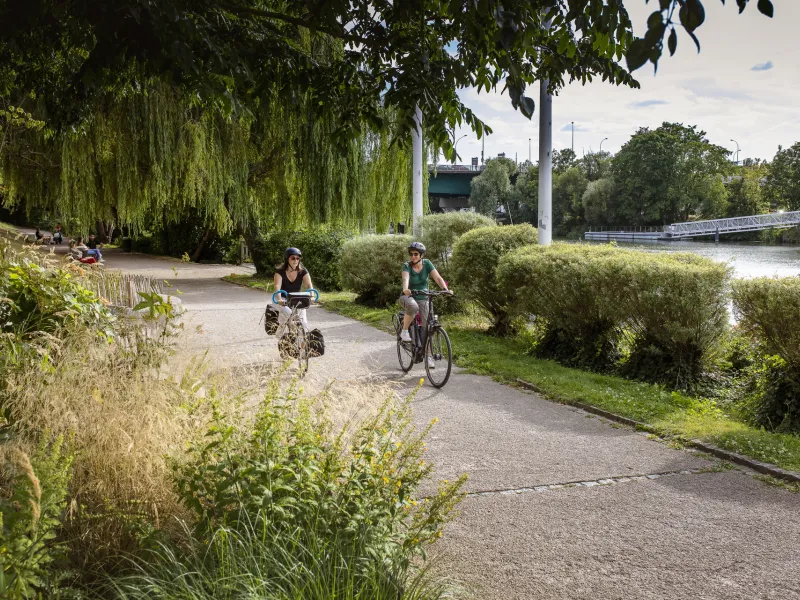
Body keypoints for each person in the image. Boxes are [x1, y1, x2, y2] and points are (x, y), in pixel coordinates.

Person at [398, 241, 450, 368]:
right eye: (411, 254)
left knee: (428, 328)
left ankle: (428, 356)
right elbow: (406, 279)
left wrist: (445, 289)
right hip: (408, 296)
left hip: (423, 297)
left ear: (421, 255)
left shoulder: (427, 263)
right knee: (413, 307)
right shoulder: (406, 265)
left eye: (416, 254)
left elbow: (437, 278)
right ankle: (404, 331)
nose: (413, 256)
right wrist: (406, 288)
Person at [273, 247, 313, 335]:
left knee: (304, 323)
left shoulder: (303, 271)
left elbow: (309, 285)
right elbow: (277, 286)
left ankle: (303, 345)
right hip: (284, 299)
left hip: (297, 299)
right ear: (287, 259)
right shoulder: (280, 272)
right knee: (287, 312)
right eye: (293, 258)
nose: (296, 260)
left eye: (298, 258)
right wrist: (279, 299)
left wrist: (312, 295)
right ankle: (280, 334)